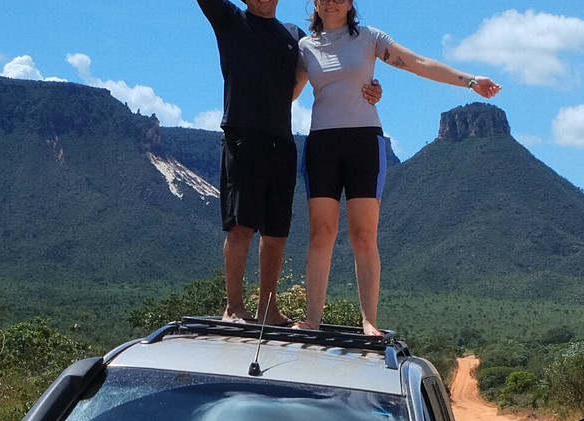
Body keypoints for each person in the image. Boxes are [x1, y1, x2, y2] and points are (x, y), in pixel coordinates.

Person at [294, 0, 501, 335]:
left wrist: (470, 80)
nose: (331, 2)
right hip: (322, 145)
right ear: (314, 3)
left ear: (350, 3)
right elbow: (287, 92)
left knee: (364, 235)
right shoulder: (305, 47)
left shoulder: (370, 38)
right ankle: (312, 320)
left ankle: (369, 322)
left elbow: (417, 63)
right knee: (321, 234)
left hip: (364, 144)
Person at [196, 0, 382, 325]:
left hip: (283, 141)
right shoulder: (229, 19)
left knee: (277, 231)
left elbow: (330, 62)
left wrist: (369, 87)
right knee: (241, 226)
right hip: (243, 135)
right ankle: (233, 308)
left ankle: (267, 309)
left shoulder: (294, 35)